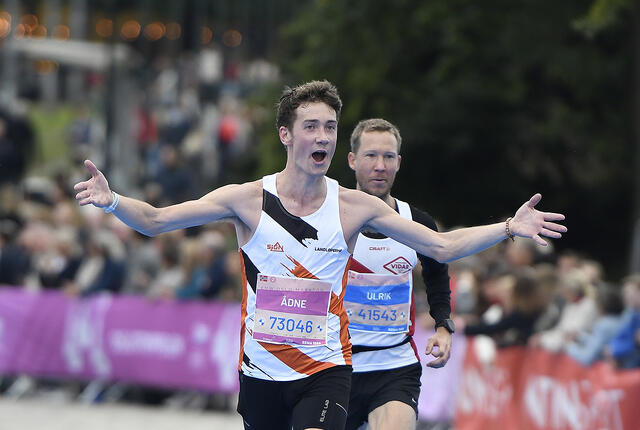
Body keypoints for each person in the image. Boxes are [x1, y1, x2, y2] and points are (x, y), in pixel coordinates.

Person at [74, 80, 566, 430]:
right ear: (287, 136)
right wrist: (114, 202)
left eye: (330, 127)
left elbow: (440, 247)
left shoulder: (355, 207)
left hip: (327, 369)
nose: (324, 137)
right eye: (312, 126)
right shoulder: (245, 200)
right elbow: (158, 221)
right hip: (262, 370)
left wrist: (507, 228)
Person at [343, 118, 452, 430]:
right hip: (335, 367)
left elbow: (437, 273)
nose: (380, 166)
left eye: (389, 157)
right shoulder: (329, 219)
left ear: (399, 162)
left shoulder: (417, 223)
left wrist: (443, 325)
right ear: (352, 160)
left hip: (394, 366)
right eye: (371, 156)